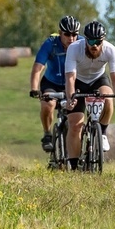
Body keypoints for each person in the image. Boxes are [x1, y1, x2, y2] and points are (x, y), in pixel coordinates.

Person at [64, 20, 115, 171]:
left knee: (108, 98)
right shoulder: (74, 49)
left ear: (103, 40)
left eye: (98, 41)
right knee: (75, 125)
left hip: (98, 79)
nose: (94, 45)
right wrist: (71, 97)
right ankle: (73, 167)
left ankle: (102, 132)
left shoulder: (111, 50)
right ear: (85, 39)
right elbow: (70, 78)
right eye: (91, 41)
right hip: (78, 81)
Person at [29, 15, 81, 152]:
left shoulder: (81, 43)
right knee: (48, 104)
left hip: (74, 83)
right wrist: (34, 89)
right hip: (52, 82)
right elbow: (37, 69)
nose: (71, 38)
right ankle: (47, 134)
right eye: (67, 34)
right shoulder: (50, 44)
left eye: (75, 34)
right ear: (60, 32)